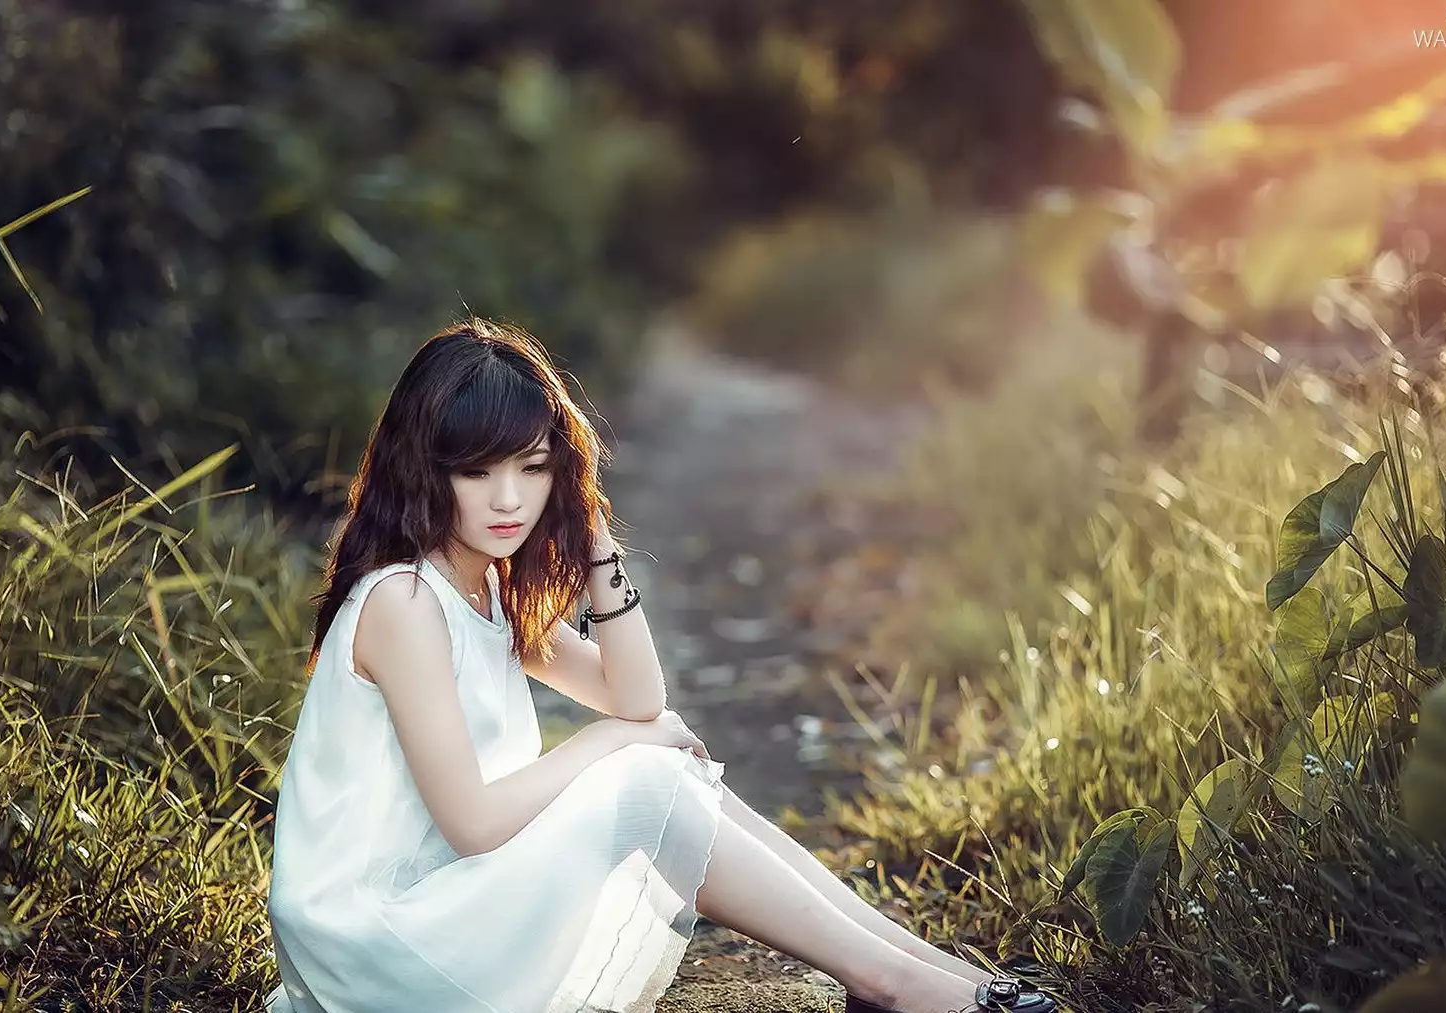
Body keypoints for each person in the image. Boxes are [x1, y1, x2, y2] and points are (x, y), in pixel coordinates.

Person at [263, 318, 1057, 1013]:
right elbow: (473, 823)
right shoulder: (404, 600)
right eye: (478, 471)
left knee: (667, 773)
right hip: (382, 947)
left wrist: (596, 542)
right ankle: (901, 988)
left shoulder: (484, 590)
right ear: (425, 469)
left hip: (448, 909)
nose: (509, 498)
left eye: (534, 467)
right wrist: (611, 744)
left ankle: (921, 971)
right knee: (647, 776)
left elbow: (636, 696)